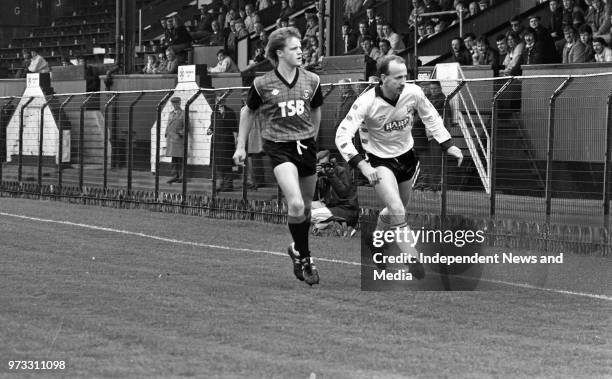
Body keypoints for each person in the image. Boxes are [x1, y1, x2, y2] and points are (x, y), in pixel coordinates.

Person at [335, 55, 463, 280]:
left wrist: (448, 144)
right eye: (397, 77)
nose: (403, 81)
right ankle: (411, 257)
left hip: (406, 158)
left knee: (399, 206)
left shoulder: (412, 93)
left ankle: (376, 244)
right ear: (383, 78)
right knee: (396, 208)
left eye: (405, 76)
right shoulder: (366, 102)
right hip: (378, 161)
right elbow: (341, 135)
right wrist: (362, 165)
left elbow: (430, 115)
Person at [233, 27, 324, 286]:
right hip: (278, 147)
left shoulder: (312, 80)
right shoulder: (262, 83)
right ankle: (306, 259)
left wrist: (313, 137)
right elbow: (247, 113)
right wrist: (241, 146)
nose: (301, 52)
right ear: (279, 53)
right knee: (295, 204)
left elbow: (316, 109)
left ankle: (296, 249)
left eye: (300, 48)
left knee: (305, 207)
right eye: (295, 49)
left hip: (305, 146)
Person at [311, 150, 359, 236]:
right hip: (332, 208)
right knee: (303, 209)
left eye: (326, 164)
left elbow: (343, 192)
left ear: (332, 162)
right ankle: (342, 228)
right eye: (321, 165)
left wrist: (331, 174)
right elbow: (314, 199)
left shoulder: (341, 171)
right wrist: (315, 177)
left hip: (347, 210)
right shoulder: (322, 176)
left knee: (309, 216)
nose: (324, 167)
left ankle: (340, 227)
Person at [209, 95, 238, 192]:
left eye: (222, 99)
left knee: (227, 164)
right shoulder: (214, 112)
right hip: (217, 142)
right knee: (218, 164)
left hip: (227, 142)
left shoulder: (230, 112)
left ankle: (228, 185)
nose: (220, 101)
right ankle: (219, 184)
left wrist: (236, 141)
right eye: (218, 99)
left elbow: (235, 128)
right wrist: (210, 129)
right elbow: (212, 125)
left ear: (225, 100)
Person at [165, 97, 185, 184]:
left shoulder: (183, 113)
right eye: (173, 103)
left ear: (179, 103)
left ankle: (181, 176)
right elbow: (168, 124)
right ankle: (174, 176)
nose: (175, 105)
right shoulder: (171, 113)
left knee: (180, 158)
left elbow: (187, 126)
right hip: (171, 139)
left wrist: (181, 133)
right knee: (174, 159)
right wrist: (166, 132)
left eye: (176, 103)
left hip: (178, 139)